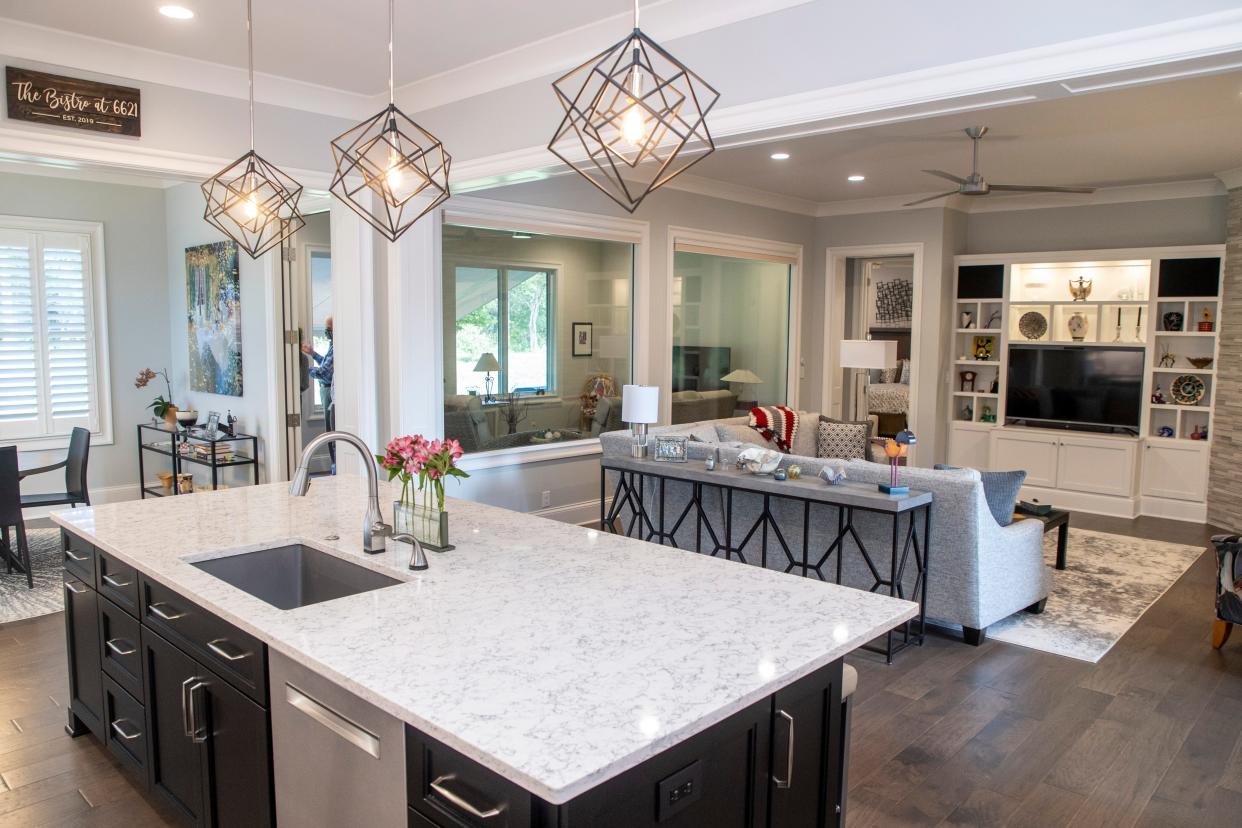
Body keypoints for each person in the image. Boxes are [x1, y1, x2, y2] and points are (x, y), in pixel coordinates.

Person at [302, 316, 335, 469]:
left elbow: (323, 373)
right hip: (326, 390)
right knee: (329, 429)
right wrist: (312, 353)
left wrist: (303, 370)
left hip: (329, 390)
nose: (327, 332)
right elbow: (326, 364)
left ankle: (335, 464)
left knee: (331, 430)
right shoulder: (332, 347)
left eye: (329, 329)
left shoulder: (337, 347)